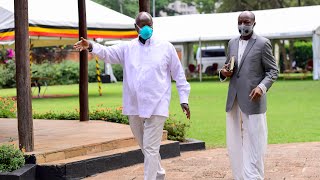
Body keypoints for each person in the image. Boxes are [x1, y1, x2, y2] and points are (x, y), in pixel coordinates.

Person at [74, 12, 191, 180]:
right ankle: (159, 173)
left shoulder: (166, 47)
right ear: (135, 27)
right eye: (142, 25)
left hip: (158, 103)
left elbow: (179, 75)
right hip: (134, 104)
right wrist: (91, 46)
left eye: (149, 25)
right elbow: (107, 53)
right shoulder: (127, 48)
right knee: (145, 146)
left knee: (150, 148)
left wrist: (184, 99)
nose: (146, 28)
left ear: (153, 25)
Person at [219, 11, 279, 179]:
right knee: (234, 143)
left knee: (255, 142)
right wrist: (223, 73)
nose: (243, 25)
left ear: (254, 23)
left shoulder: (263, 43)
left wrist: (262, 87)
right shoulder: (231, 43)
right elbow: (228, 67)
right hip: (234, 100)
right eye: (240, 22)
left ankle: (254, 176)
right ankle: (240, 176)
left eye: (246, 22)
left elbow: (273, 71)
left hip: (254, 101)